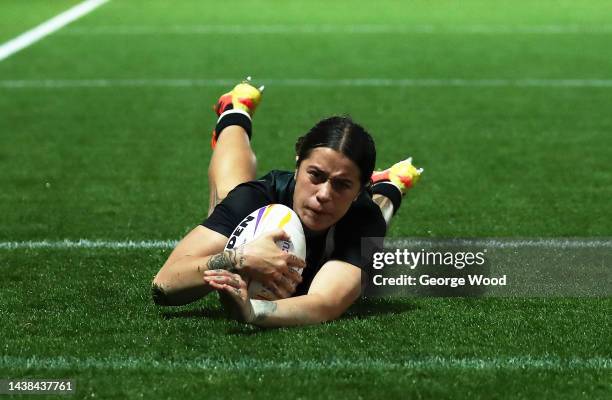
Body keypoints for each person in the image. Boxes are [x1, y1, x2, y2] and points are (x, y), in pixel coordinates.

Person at [151, 78, 422, 327]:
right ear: (297, 164)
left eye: (341, 184)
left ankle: (390, 184)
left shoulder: (362, 217)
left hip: (359, 210)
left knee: (376, 220)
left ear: (360, 188)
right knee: (229, 192)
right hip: (257, 206)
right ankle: (235, 109)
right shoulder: (257, 198)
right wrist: (238, 257)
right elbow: (164, 283)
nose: (324, 194)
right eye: (315, 175)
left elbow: (324, 303)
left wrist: (252, 311)